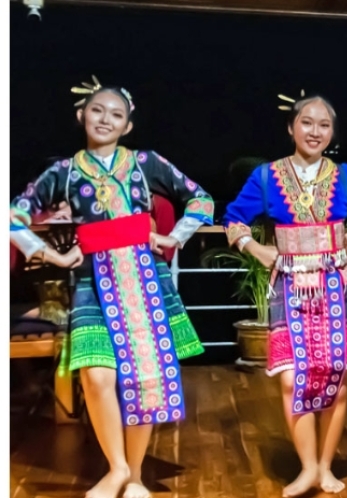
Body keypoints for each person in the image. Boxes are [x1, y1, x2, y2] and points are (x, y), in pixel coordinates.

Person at [9, 76, 213, 498]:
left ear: (128, 126)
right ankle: (117, 469)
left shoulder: (146, 163)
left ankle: (135, 475)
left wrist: (174, 237)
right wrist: (51, 255)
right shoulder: (62, 173)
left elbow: (201, 200)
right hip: (91, 282)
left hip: (143, 279)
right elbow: (13, 215)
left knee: (144, 377)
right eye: (98, 110)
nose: (105, 119)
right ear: (81, 115)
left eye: (116, 114)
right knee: (97, 376)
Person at [222, 90, 347, 497]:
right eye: (307, 122)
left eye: (324, 125)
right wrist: (258, 249)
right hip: (289, 285)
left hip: (337, 286)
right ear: (291, 127)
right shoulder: (267, 178)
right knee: (292, 380)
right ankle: (307, 467)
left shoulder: (345, 177)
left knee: (337, 381)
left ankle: (324, 467)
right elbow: (234, 220)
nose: (315, 131)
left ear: (332, 134)